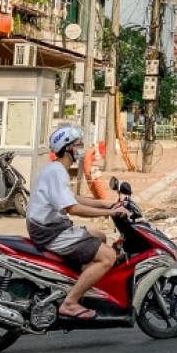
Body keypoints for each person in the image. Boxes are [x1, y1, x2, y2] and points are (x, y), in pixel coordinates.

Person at [27, 126, 129, 320]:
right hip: (50, 232)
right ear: (67, 149)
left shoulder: (57, 170)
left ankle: (78, 283)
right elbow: (73, 209)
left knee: (100, 236)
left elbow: (74, 199)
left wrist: (108, 205)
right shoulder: (56, 172)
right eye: (78, 144)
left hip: (53, 227)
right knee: (108, 257)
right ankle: (70, 302)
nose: (82, 148)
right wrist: (110, 213)